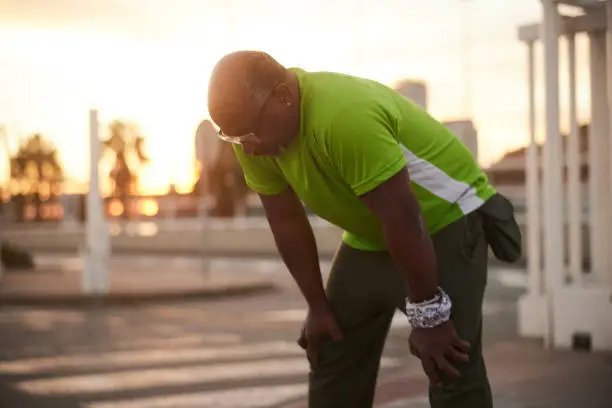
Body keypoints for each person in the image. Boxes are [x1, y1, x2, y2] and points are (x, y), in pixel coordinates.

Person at [207, 50, 521, 408]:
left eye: (247, 132)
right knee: (331, 348)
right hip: (372, 236)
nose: (245, 146)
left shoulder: (344, 117)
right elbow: (286, 222)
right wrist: (317, 307)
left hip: (444, 220)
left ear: (282, 95)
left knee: (449, 364)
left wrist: (429, 315)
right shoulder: (254, 140)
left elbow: (403, 217)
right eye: (232, 138)